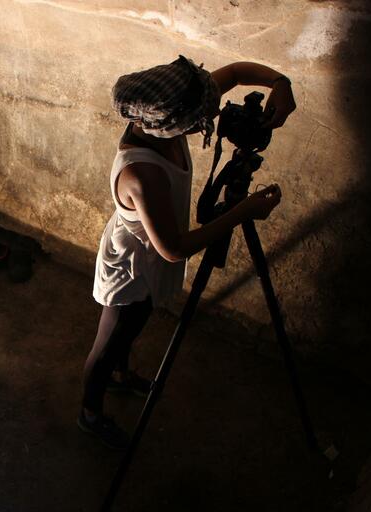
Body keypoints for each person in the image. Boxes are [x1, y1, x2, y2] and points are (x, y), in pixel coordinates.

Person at [78, 56, 296, 449]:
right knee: (110, 340)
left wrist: (280, 81)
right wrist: (242, 211)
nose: (209, 119)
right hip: (132, 266)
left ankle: (121, 377)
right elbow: (175, 248)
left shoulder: (163, 113)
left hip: (150, 252)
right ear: (175, 123)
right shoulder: (141, 172)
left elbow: (233, 73)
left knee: (134, 325)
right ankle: (90, 413)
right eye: (201, 120)